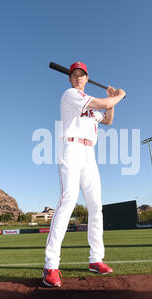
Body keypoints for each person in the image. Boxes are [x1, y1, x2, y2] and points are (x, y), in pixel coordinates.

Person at [42, 61, 126, 287]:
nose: (78, 77)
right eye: (74, 75)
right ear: (70, 79)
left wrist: (112, 101)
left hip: (89, 153)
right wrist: (119, 95)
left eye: (82, 75)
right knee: (67, 201)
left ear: (87, 78)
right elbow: (103, 102)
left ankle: (95, 259)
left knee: (96, 205)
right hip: (71, 149)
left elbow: (108, 119)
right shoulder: (70, 95)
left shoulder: (91, 107)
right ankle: (51, 265)